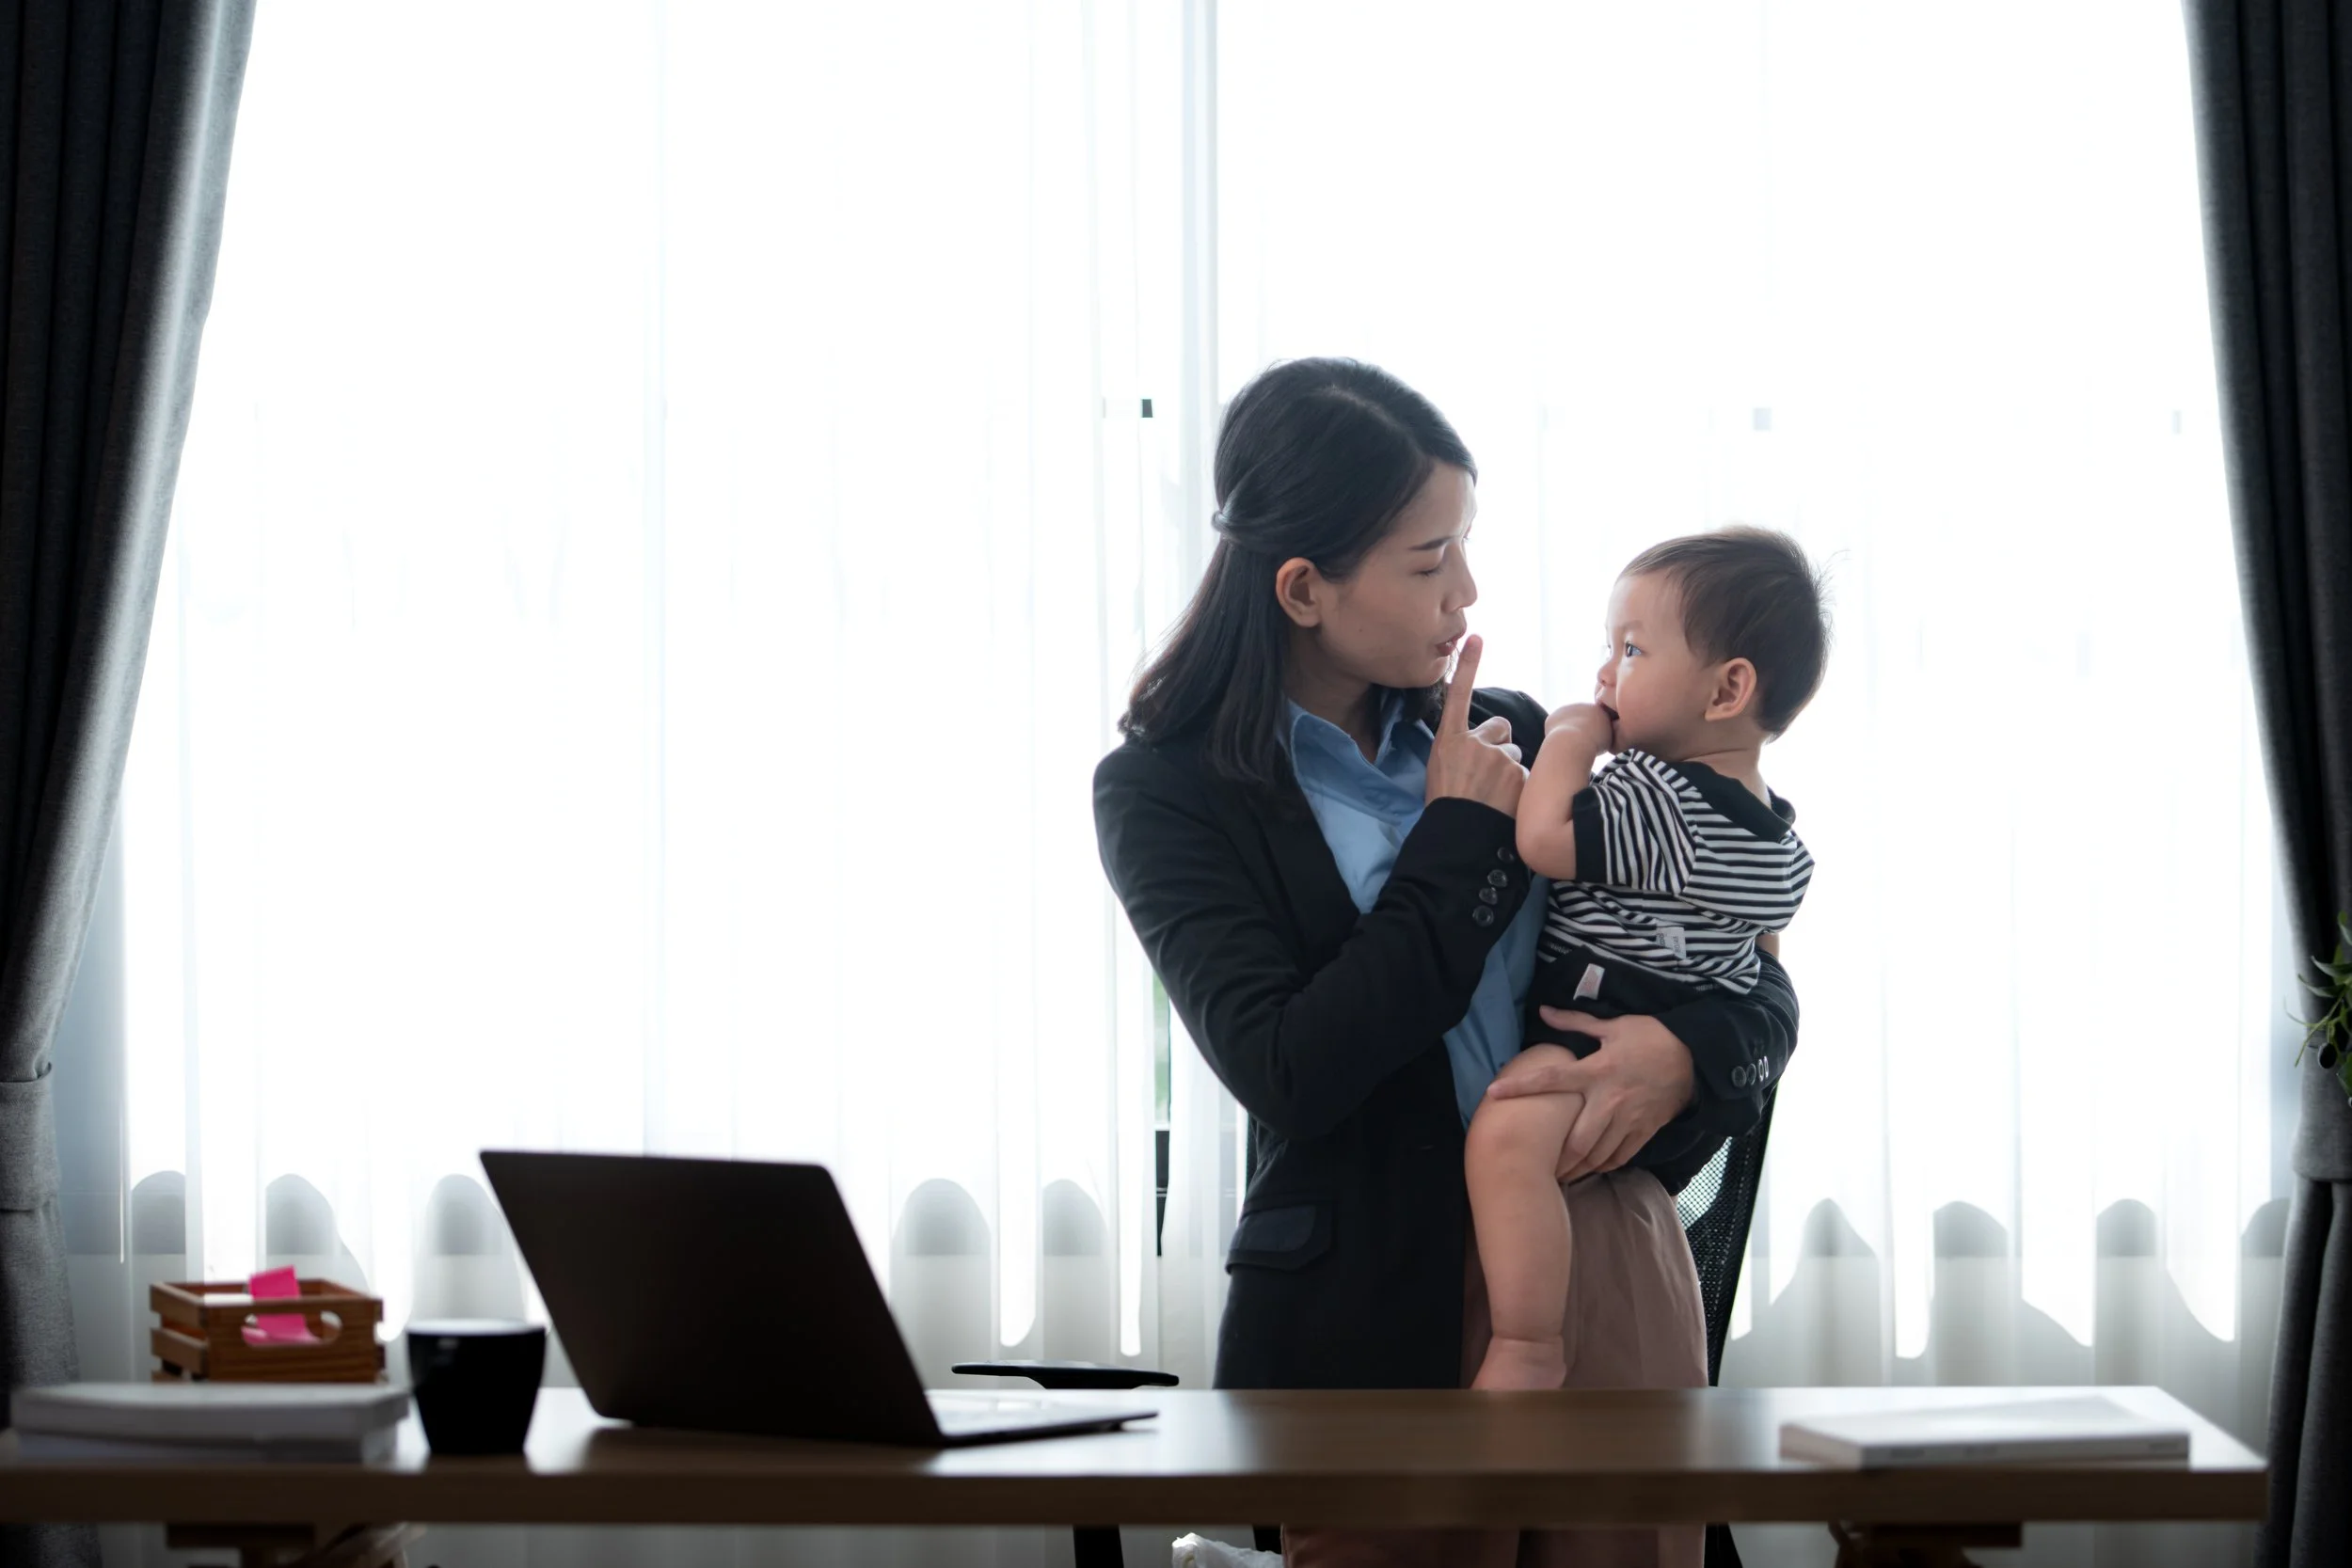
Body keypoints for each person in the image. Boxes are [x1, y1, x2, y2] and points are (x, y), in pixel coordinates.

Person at [1093, 357, 1796, 1568]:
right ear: (1304, 588)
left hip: (1596, 1245)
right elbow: (1289, 1067)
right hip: (1368, 1296)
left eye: (1463, 545)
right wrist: (1461, 837)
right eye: (1428, 561)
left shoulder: (1531, 737)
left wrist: (1688, 1052)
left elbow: (1749, 954)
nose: (1465, 591)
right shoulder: (1168, 789)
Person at [1466, 528, 1827, 1393]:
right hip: (1677, 1094)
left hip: (1592, 1036)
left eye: (1629, 649)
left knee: (1506, 1134)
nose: (1603, 676)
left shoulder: (1653, 791)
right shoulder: (1777, 831)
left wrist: (1569, 740)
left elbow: (1548, 835)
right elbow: (1761, 956)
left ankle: (1526, 1342)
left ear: (1728, 686)